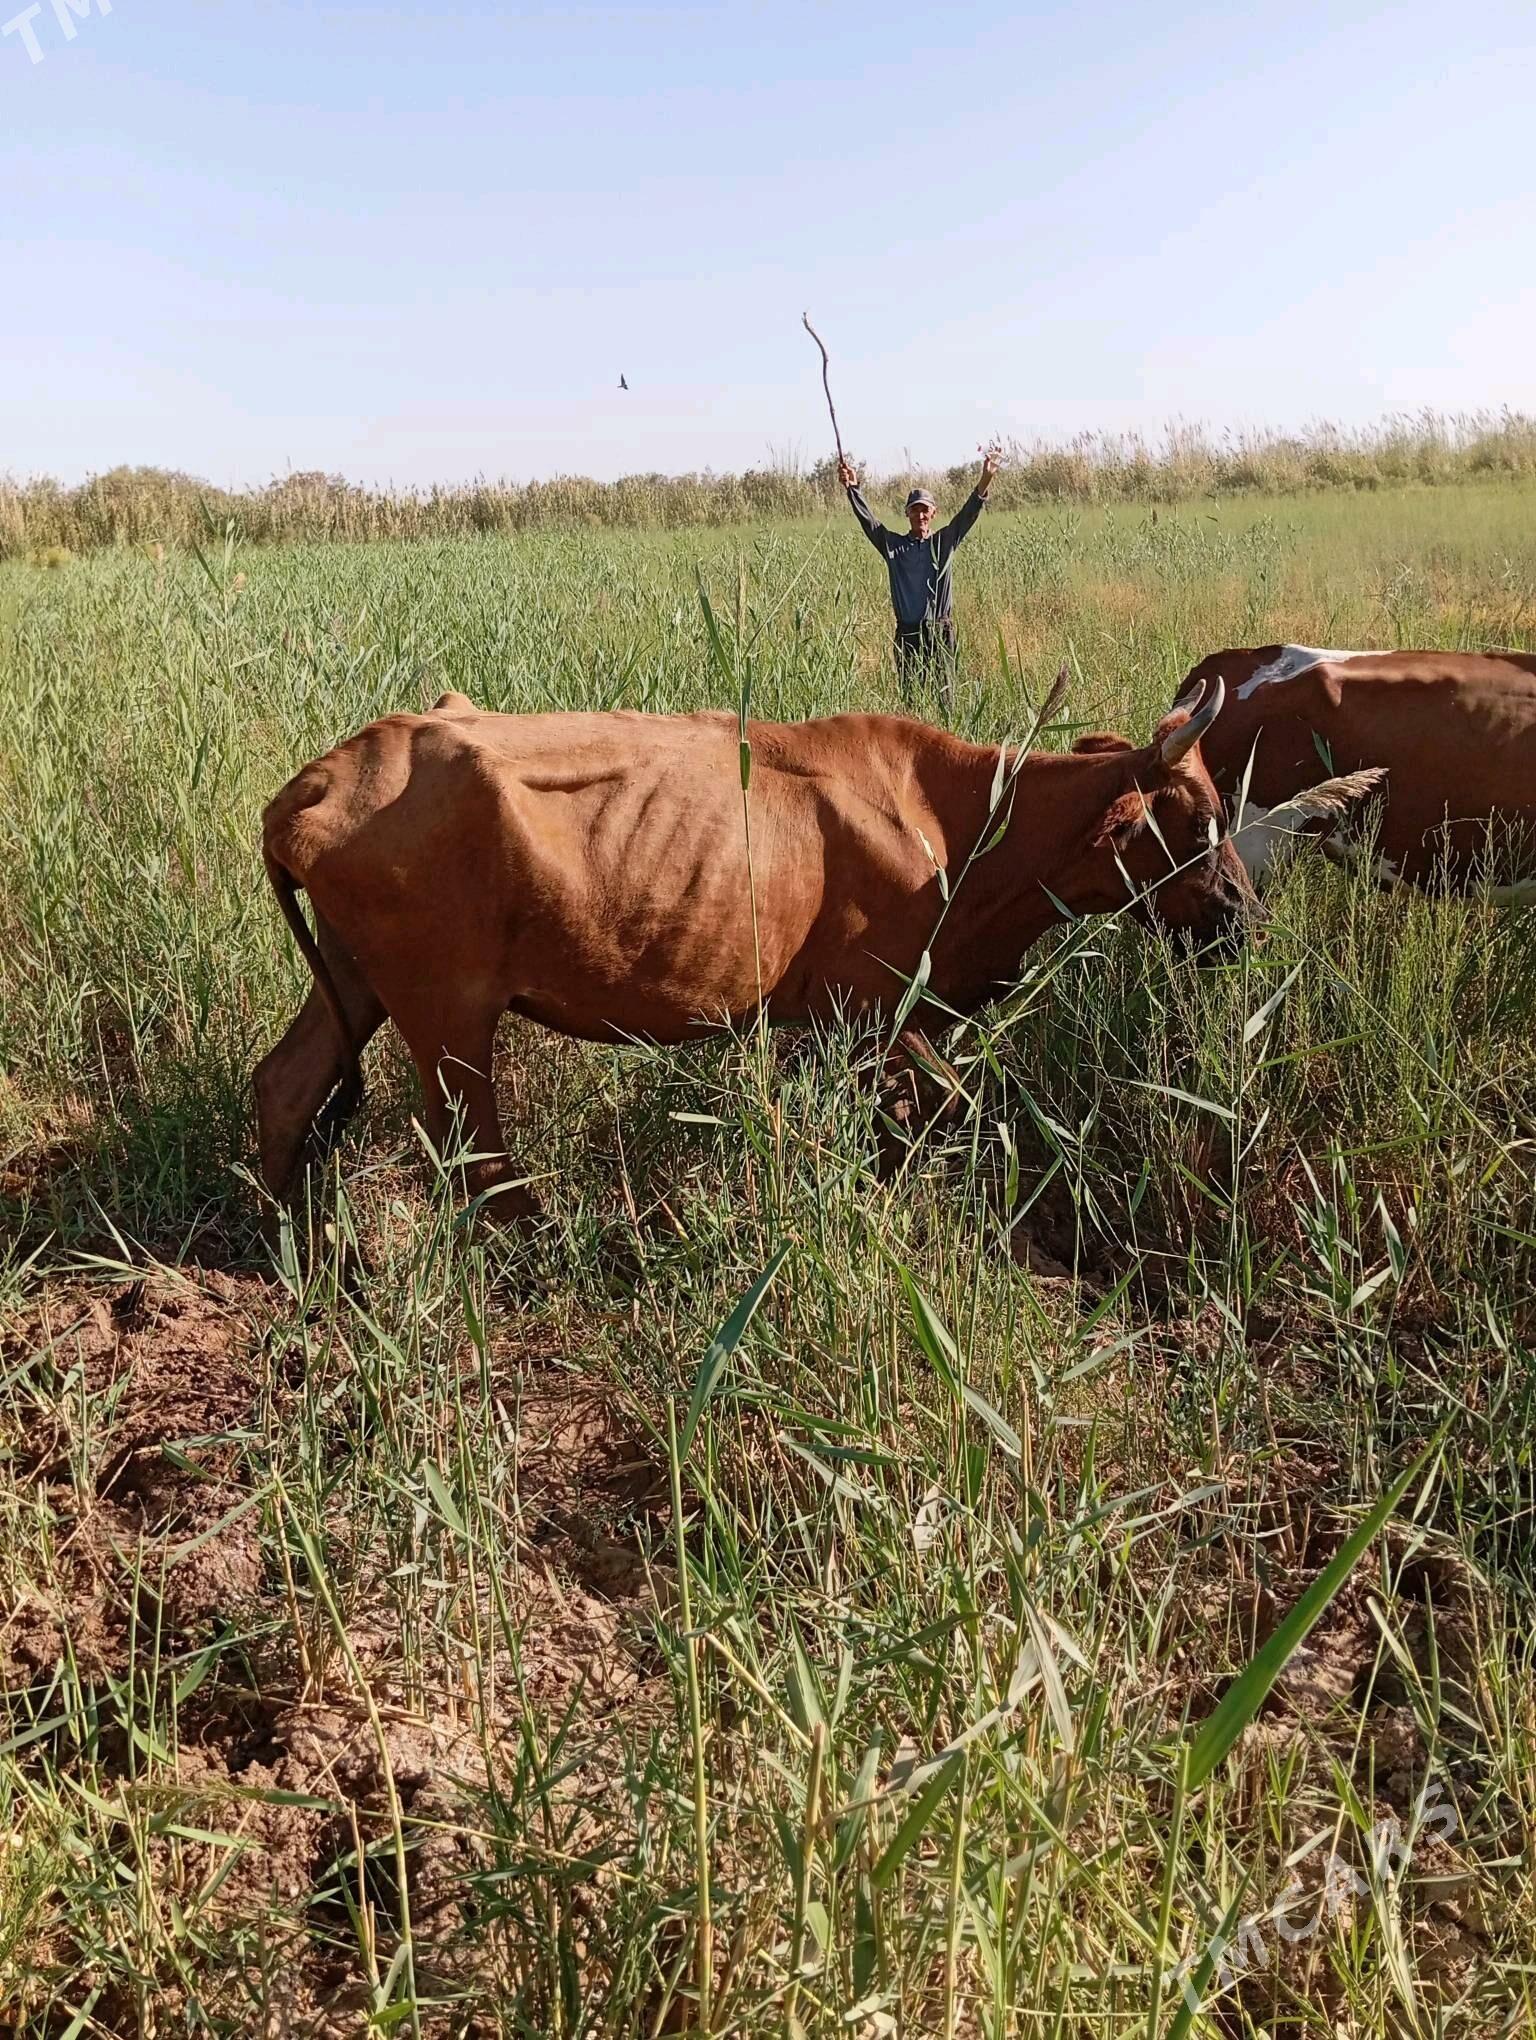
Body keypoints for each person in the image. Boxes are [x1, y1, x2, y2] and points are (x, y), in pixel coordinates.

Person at [838, 444, 1001, 709]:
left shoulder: (943, 543)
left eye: (925, 510)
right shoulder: (894, 546)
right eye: (915, 510)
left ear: (934, 513)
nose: (920, 515)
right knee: (911, 705)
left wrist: (986, 478)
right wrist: (852, 489)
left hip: (939, 633)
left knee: (945, 703)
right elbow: (870, 523)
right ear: (907, 514)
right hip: (908, 634)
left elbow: (968, 514)